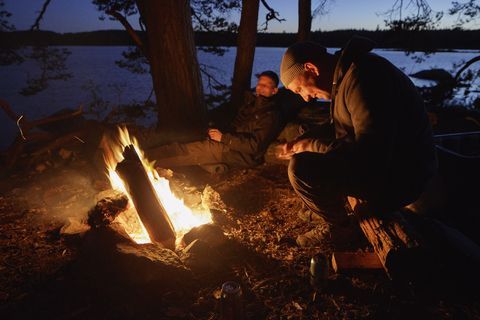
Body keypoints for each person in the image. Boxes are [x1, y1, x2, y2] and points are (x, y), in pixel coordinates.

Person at [277, 36, 438, 247]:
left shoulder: (365, 77)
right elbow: (339, 124)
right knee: (307, 133)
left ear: (311, 68)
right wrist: (305, 138)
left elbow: (372, 156)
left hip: (403, 177)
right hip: (388, 167)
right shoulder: (346, 77)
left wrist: (310, 146)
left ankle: (343, 227)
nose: (306, 98)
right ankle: (330, 208)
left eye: (299, 90)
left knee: (300, 168)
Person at [145, 71, 283, 173]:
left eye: (266, 85)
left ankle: (143, 161)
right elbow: (236, 126)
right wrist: (217, 130)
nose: (260, 87)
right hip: (227, 143)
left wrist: (223, 138)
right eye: (259, 84)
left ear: (275, 90)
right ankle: (142, 155)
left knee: (184, 151)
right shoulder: (251, 105)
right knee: (183, 138)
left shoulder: (270, 114)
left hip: (237, 152)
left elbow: (255, 145)